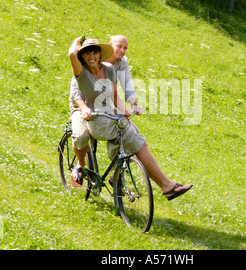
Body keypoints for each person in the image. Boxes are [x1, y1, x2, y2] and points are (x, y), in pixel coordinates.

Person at [67, 36, 192, 201]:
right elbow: (74, 81)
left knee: (135, 138)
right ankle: (81, 165)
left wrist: (125, 109)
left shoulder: (110, 68)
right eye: (87, 53)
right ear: (82, 55)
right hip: (83, 109)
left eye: (95, 52)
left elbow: (117, 93)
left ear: (100, 53)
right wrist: (77, 42)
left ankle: (165, 186)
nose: (91, 56)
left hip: (105, 110)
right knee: (82, 136)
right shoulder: (80, 72)